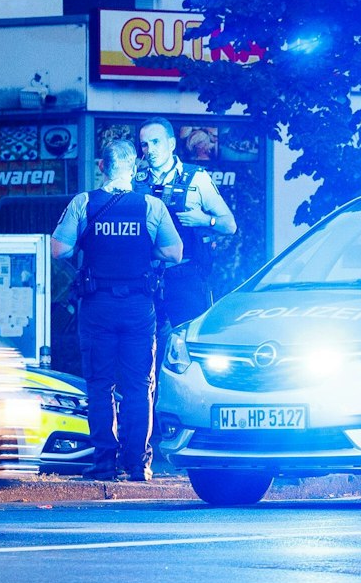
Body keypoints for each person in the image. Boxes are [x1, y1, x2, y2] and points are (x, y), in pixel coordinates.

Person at [50, 140, 183, 481]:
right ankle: (138, 464)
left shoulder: (84, 203)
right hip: (139, 306)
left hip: (98, 307)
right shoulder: (150, 206)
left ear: (101, 166)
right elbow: (175, 253)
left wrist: (88, 241)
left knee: (99, 384)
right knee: (140, 385)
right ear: (134, 168)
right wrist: (145, 254)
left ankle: (104, 464)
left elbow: (59, 249)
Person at [134, 118, 237, 342]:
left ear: (171, 144)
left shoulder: (196, 178)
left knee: (190, 343)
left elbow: (229, 225)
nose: (150, 150)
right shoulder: (135, 182)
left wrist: (204, 220)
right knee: (143, 348)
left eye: (155, 142)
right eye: (144, 144)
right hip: (144, 279)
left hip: (185, 277)